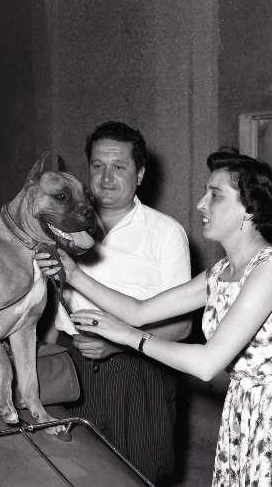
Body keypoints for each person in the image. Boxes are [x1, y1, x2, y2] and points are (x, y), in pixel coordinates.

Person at [39, 148, 272, 486]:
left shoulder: (270, 270)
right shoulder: (220, 272)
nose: (201, 204)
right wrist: (73, 274)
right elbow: (139, 311)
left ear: (249, 209)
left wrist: (127, 336)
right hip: (245, 409)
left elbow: (207, 363)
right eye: (205, 193)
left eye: (215, 195)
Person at [47, 121, 192, 483]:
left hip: (138, 373)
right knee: (69, 473)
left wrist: (117, 344)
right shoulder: (62, 230)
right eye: (97, 166)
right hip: (70, 367)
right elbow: (46, 310)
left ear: (140, 174)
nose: (106, 177)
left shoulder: (166, 233)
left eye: (119, 167)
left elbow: (181, 327)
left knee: (138, 474)